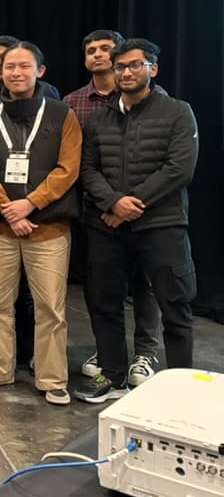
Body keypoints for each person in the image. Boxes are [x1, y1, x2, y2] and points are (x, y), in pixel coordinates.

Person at [75, 39, 199, 403]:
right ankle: (112, 376)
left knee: (175, 307)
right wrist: (114, 203)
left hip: (162, 225)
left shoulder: (178, 112)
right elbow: (88, 170)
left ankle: (179, 390)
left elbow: (179, 168)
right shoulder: (99, 119)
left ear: (152, 69)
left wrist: (131, 203)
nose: (126, 72)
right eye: (120, 67)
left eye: (135, 65)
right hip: (107, 227)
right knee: (104, 303)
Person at [0, 42, 81, 406]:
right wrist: (8, 210)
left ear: (40, 71)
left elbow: (68, 168)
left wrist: (31, 203)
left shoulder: (63, 115)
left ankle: (52, 378)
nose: (15, 73)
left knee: (51, 308)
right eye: (9, 67)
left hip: (48, 230)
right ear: (0, 72)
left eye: (23, 66)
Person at [63, 29, 163, 385]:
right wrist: (110, 203)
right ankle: (108, 353)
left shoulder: (155, 100)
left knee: (145, 285)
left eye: (105, 49)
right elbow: (80, 163)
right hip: (96, 212)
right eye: (91, 50)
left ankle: (145, 352)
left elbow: (158, 162)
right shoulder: (73, 102)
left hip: (144, 211)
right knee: (102, 288)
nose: (98, 54)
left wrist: (128, 204)